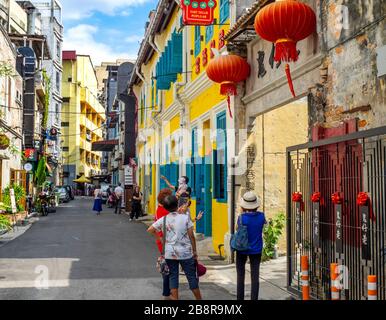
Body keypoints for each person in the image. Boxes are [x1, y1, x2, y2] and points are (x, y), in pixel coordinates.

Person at [148, 195, 202, 300]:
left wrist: (160, 239)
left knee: (173, 277)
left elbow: (150, 229)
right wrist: (194, 251)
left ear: (165, 208)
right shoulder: (185, 218)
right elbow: (191, 236)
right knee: (191, 277)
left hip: (170, 253)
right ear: (177, 204)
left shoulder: (163, 219)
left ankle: (175, 299)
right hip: (186, 253)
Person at [235, 191, 266, 300]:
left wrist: (241, 211)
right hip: (256, 249)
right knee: (255, 276)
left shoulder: (241, 218)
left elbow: (237, 229)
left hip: (242, 249)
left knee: (240, 275)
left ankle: (240, 298)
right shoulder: (262, 216)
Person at [154, 188, 173, 299]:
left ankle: (168, 291)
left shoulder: (160, 209)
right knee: (168, 268)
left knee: (167, 266)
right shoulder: (164, 211)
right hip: (165, 242)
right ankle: (166, 293)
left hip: (163, 242)